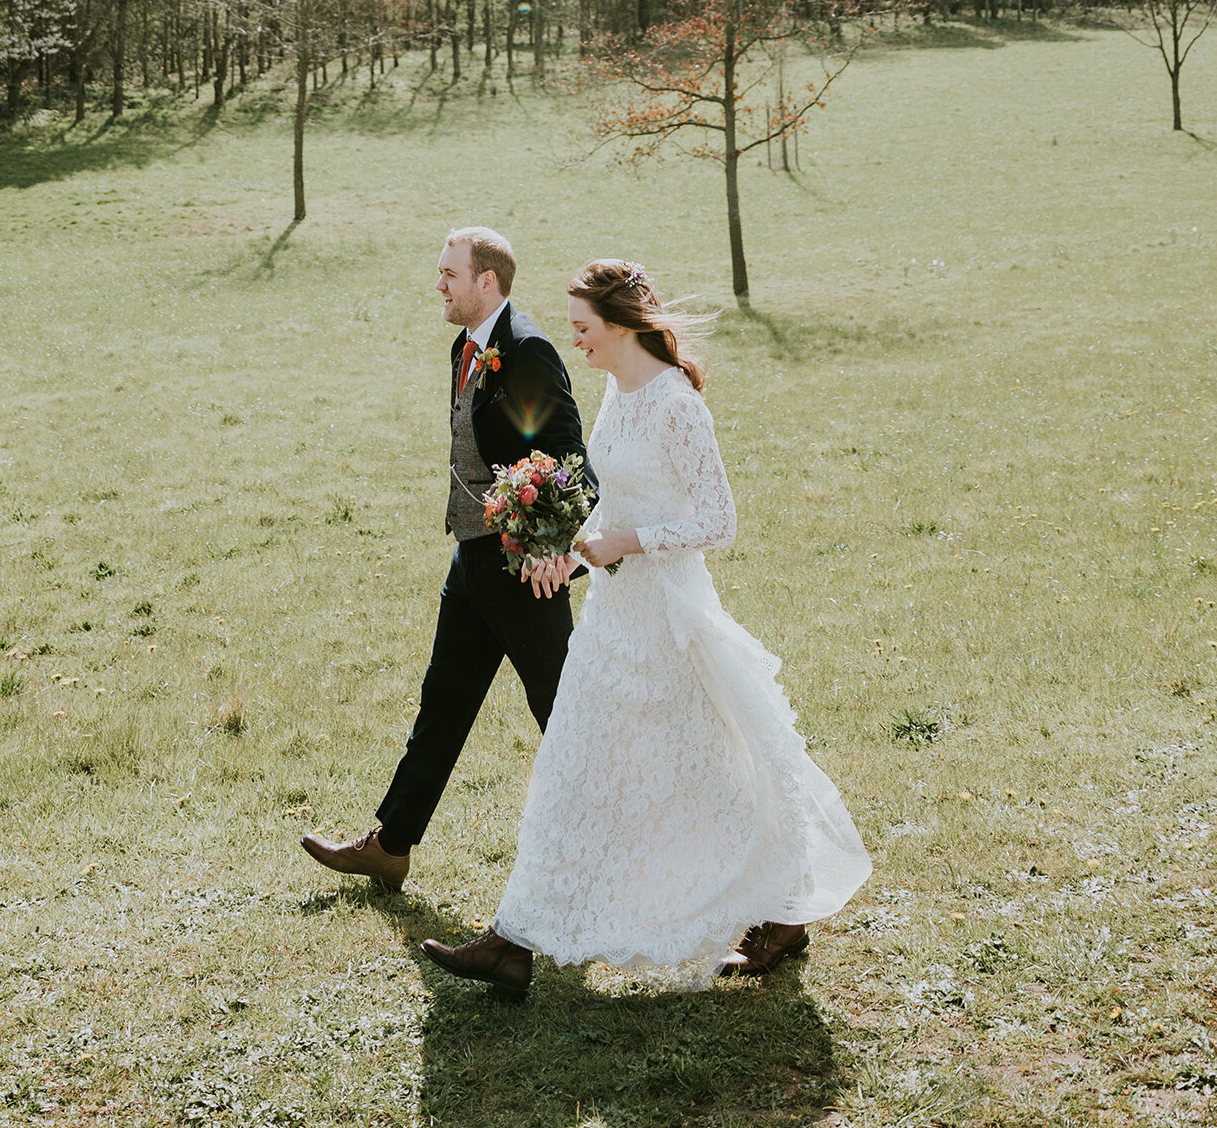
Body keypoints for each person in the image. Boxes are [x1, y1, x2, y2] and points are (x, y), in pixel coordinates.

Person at [419, 258, 872, 997]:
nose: (576, 343)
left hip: (668, 618)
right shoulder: (615, 390)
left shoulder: (675, 403)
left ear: (622, 325)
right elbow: (612, 500)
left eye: (583, 329)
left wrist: (624, 546)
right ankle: (513, 939)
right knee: (571, 768)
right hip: (610, 620)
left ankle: (784, 907)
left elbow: (719, 521)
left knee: (708, 770)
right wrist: (565, 554)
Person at [302, 226, 592, 892]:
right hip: (472, 557)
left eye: (448, 275)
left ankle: (617, 843)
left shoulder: (526, 349)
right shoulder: (467, 346)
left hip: (521, 570)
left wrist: (544, 547)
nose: (439, 285)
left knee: (564, 709)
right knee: (444, 701)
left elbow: (565, 454)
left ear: (486, 280)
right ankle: (391, 844)